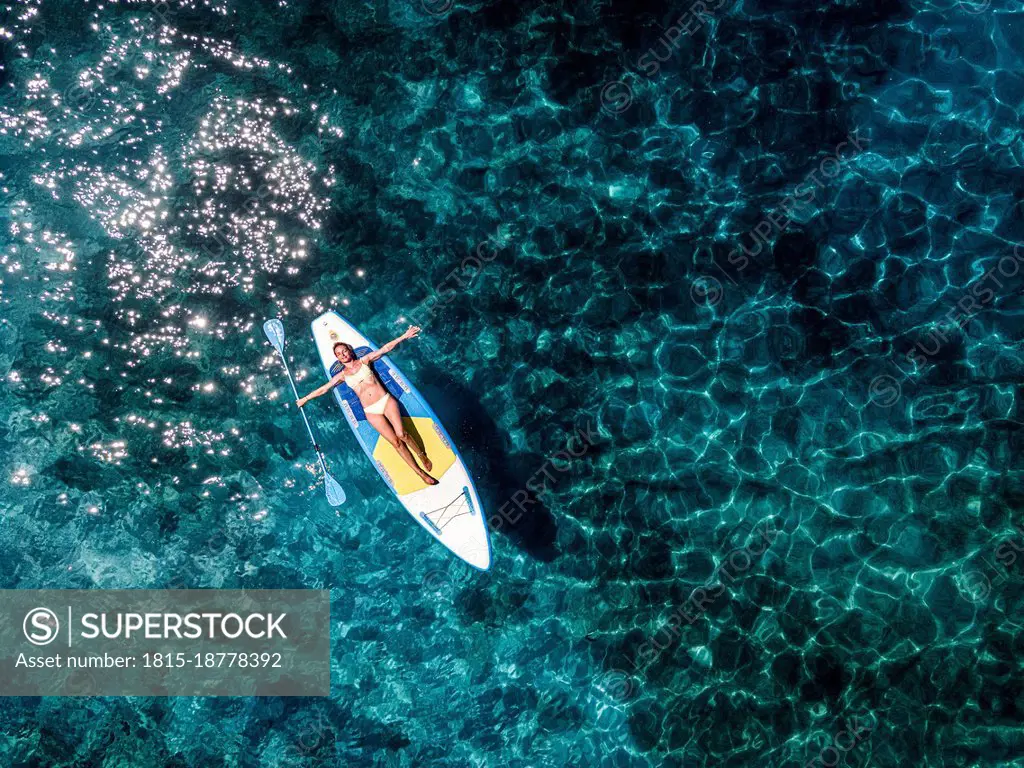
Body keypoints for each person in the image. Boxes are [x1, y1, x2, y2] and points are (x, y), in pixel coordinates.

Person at [296, 326, 437, 485]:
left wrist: (404, 336)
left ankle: (421, 454)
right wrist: (305, 399)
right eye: (339, 354)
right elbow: (324, 389)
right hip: (371, 412)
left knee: (402, 434)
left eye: (344, 351)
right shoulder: (341, 375)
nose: (342, 355)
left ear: (349, 350)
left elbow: (385, 349)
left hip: (385, 401)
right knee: (395, 443)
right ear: (337, 358)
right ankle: (420, 474)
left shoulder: (364, 361)